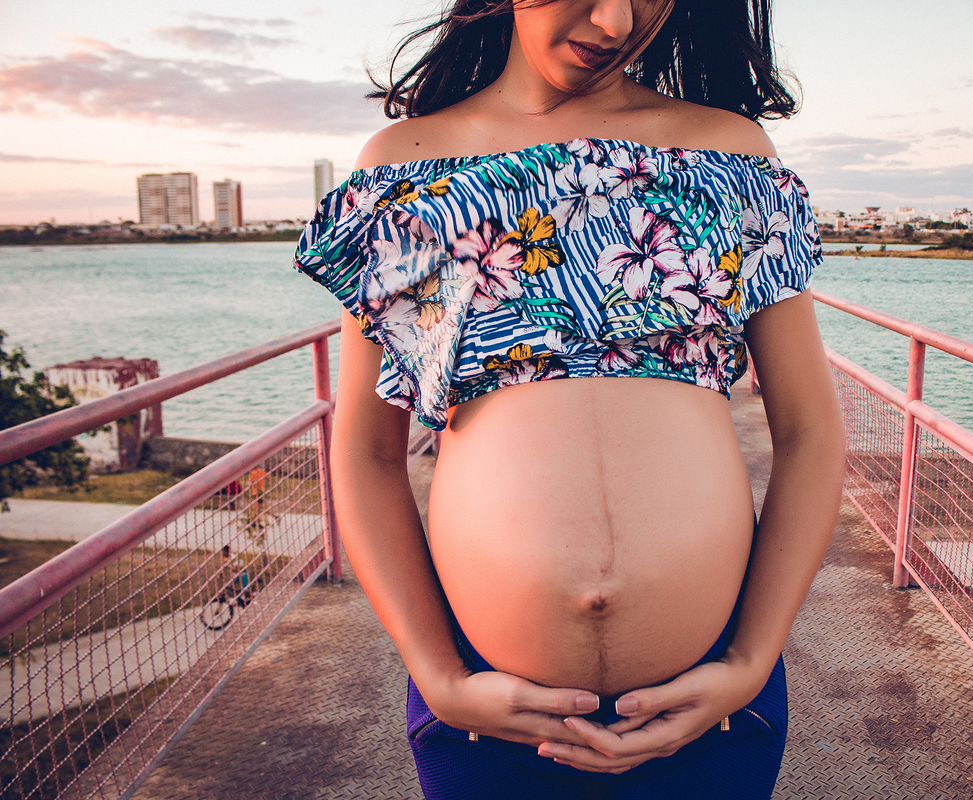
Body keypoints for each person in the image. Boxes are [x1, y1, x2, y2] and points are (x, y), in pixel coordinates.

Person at [294, 0, 845, 796]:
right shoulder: (404, 167)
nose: (617, 20)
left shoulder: (729, 155)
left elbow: (808, 433)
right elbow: (367, 452)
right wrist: (439, 678)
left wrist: (750, 664)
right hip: (484, 717)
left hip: (710, 710)